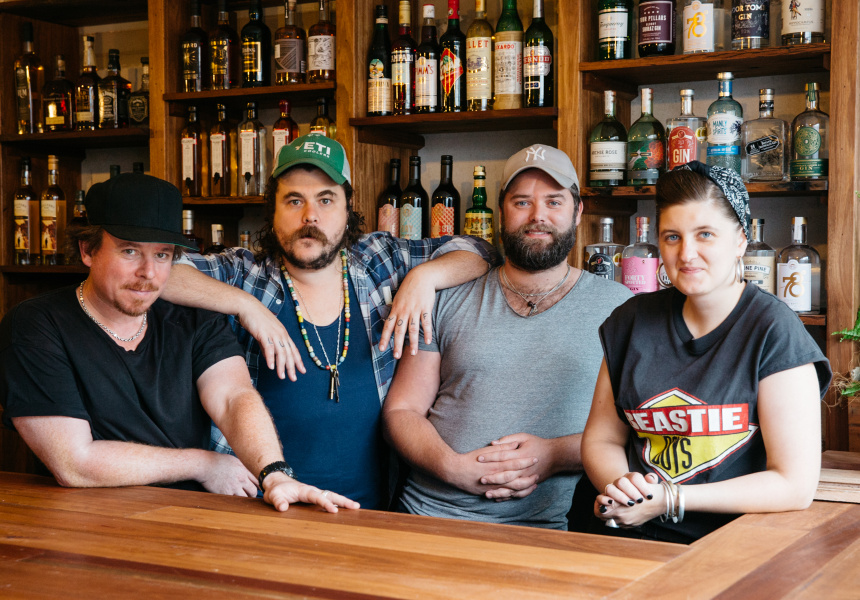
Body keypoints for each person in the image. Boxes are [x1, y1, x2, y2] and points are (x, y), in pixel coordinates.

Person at [161, 133, 498, 510]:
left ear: (348, 206)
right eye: (294, 201)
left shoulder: (381, 260)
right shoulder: (245, 274)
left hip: (374, 514)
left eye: (325, 199)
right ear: (272, 210)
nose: (310, 216)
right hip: (261, 507)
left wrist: (425, 277)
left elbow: (478, 250)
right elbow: (161, 271)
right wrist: (245, 306)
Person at [0, 173, 357, 514]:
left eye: (162, 254)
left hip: (189, 520)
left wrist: (274, 473)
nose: (149, 273)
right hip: (83, 529)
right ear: (88, 250)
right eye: (129, 251)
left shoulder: (193, 316)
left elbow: (233, 397)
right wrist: (202, 463)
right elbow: (74, 463)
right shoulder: (36, 325)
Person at [382, 144, 633, 530]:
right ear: (500, 211)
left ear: (578, 211)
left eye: (553, 202)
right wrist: (453, 468)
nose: (538, 217)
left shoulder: (620, 309)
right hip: (426, 516)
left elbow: (637, 429)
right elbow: (402, 411)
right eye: (521, 202)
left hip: (542, 530)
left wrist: (552, 455)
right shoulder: (448, 294)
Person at [581, 162, 832, 544]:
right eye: (672, 237)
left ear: (741, 241)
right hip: (628, 540)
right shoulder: (631, 320)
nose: (687, 254)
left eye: (705, 234)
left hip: (733, 547)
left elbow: (793, 484)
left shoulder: (773, 330)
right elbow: (602, 440)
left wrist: (670, 499)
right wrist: (625, 488)